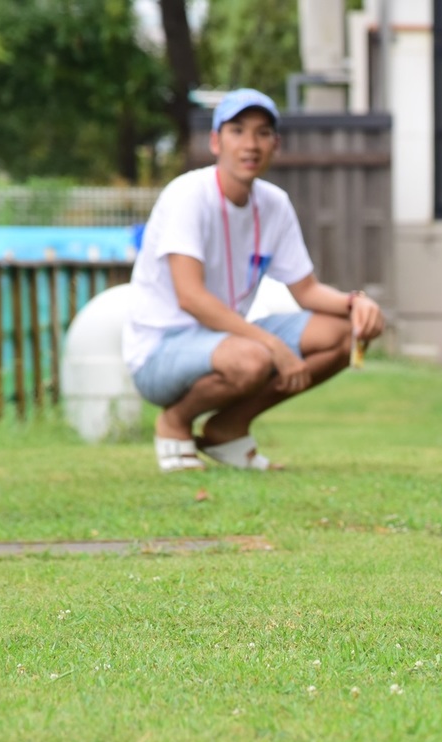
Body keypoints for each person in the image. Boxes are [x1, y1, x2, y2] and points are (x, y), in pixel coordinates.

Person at [122, 88, 385, 472]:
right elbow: (191, 298)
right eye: (238, 130)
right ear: (215, 141)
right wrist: (272, 345)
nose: (251, 144)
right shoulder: (187, 195)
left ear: (276, 144)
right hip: (160, 349)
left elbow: (307, 290)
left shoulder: (274, 203)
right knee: (254, 357)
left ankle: (227, 428)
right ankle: (174, 422)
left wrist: (356, 302)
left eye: (263, 133)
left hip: (229, 339)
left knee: (346, 333)